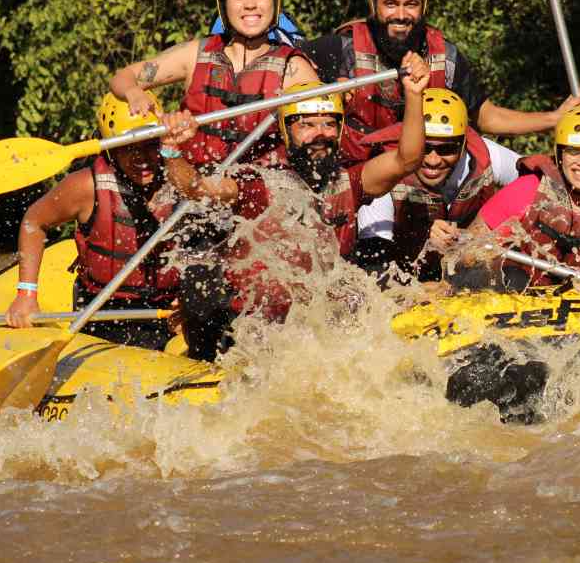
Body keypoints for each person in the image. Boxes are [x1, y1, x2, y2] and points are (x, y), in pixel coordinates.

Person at [157, 52, 431, 356]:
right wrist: (172, 151)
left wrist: (414, 95)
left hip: (317, 323)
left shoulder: (351, 182)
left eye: (329, 124)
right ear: (287, 132)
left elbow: (408, 159)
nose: (320, 134)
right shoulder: (259, 185)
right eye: (307, 125)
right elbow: (197, 188)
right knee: (201, 282)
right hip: (253, 327)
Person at [301, 0, 580, 162]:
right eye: (390, 4)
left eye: (411, 4)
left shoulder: (446, 57)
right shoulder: (338, 49)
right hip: (365, 168)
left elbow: (486, 117)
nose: (401, 15)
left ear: (423, 5)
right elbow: (289, 75)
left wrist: (554, 118)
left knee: (521, 173)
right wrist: (322, 96)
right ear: (374, 4)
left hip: (431, 166)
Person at [110, 0, 319, 172]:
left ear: (275, 3)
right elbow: (122, 76)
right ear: (223, 6)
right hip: (193, 181)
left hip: (264, 187)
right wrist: (134, 93)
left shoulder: (292, 67)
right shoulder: (195, 54)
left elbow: (319, 132)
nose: (250, 4)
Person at [4, 94, 179, 350]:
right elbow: (34, 221)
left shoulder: (181, 179)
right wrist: (26, 294)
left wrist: (192, 302)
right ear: (111, 149)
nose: (142, 157)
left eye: (150, 144)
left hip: (168, 311)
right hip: (102, 312)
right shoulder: (85, 187)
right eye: (130, 147)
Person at [461, 106, 580, 292]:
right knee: (511, 278)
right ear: (560, 153)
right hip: (520, 295)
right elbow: (465, 253)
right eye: (574, 151)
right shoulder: (526, 191)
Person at [354, 88, 521, 280]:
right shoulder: (384, 173)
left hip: (467, 272)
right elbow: (373, 262)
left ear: (464, 144)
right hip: (406, 278)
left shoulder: (486, 154)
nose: (433, 161)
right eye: (424, 148)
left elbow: (540, 185)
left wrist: (482, 231)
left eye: (447, 149)